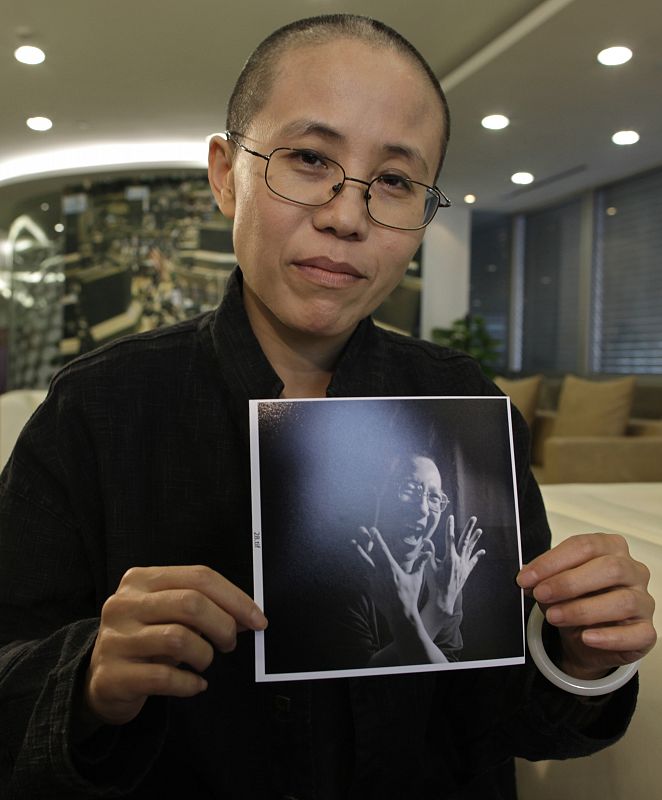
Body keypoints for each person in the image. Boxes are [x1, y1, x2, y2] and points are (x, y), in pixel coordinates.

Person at [0, 13, 655, 800]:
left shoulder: (462, 405)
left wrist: (579, 657)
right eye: (309, 159)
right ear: (223, 174)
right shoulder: (97, 409)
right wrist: (87, 678)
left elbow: (508, 714)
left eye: (395, 182)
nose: (347, 216)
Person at [351, 450, 485, 667]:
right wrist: (437, 611)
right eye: (410, 489)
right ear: (377, 496)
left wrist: (433, 607)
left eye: (433, 497)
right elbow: (362, 683)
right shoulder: (345, 579)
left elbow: (444, 674)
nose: (422, 509)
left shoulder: (445, 582)